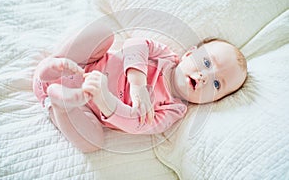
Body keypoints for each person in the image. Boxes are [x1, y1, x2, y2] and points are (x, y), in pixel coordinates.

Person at [33, 24, 247, 153]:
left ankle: (60, 106)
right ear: (190, 54)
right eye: (207, 63)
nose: (204, 78)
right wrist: (137, 83)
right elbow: (134, 44)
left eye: (217, 85)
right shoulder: (165, 56)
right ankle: (57, 63)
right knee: (104, 34)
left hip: (83, 105)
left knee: (93, 143)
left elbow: (138, 124)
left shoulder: (174, 110)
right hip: (82, 65)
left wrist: (104, 99)